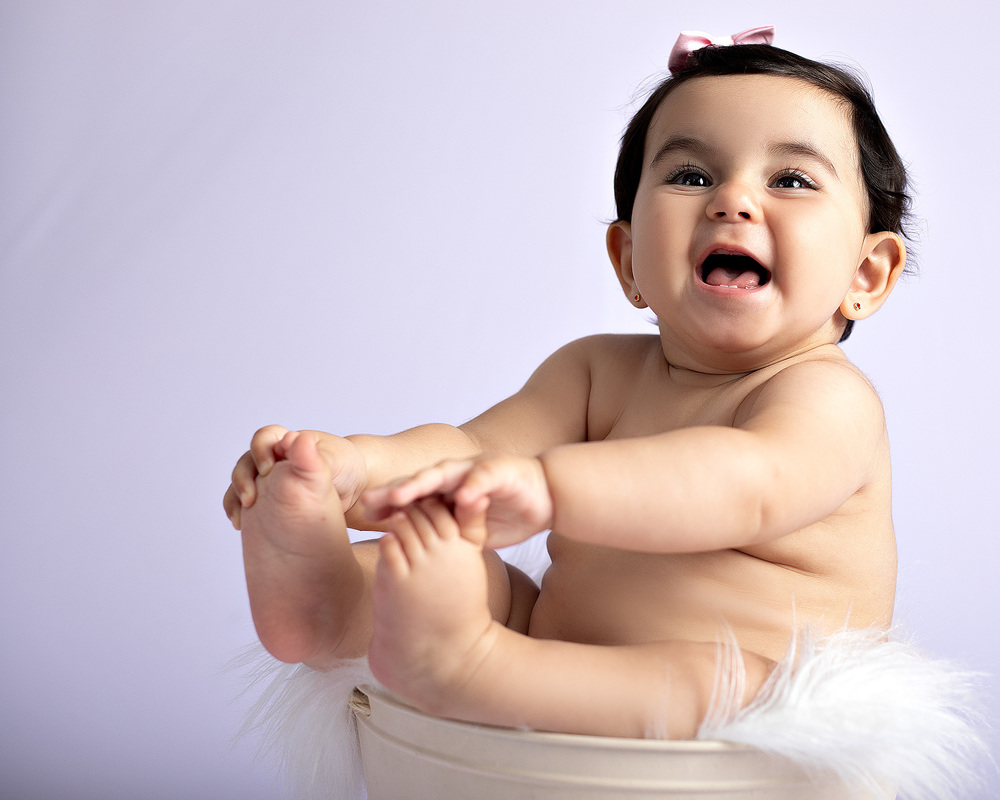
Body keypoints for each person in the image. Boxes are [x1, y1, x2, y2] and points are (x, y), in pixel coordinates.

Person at [225, 29, 913, 741]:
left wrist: (551, 489)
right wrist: (351, 469)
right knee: (462, 574)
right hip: (553, 657)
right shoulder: (596, 372)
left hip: (739, 722)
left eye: (791, 180)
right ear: (629, 260)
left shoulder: (828, 398)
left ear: (866, 275)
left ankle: (475, 668)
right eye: (690, 176)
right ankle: (331, 605)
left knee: (732, 684)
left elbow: (748, 485)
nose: (732, 199)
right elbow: (473, 450)